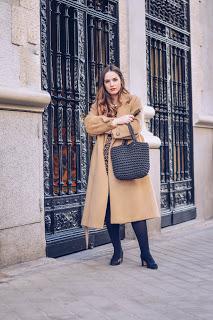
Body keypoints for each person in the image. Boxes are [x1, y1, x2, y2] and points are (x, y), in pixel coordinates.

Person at [81, 65, 160, 269]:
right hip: (104, 164)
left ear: (120, 80)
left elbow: (135, 127)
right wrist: (116, 121)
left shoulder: (132, 100)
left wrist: (109, 129)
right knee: (109, 210)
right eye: (107, 81)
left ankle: (146, 254)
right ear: (103, 84)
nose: (111, 84)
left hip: (126, 160)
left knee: (136, 210)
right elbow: (89, 125)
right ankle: (117, 251)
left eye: (114, 80)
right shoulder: (98, 104)